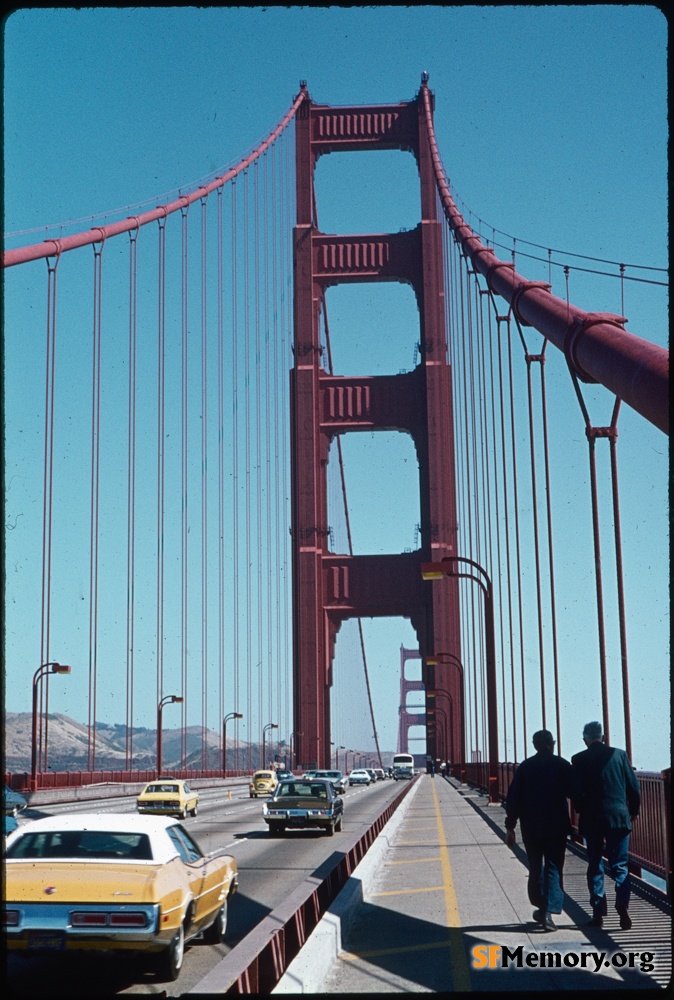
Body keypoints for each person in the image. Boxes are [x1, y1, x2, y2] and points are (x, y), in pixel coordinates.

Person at [571, 721, 640, 930]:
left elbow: (577, 792)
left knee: (595, 864)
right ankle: (622, 902)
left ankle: (598, 912)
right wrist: (633, 811)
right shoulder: (619, 755)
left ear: (585, 739)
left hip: (592, 819)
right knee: (620, 865)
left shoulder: (578, 759)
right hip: (618, 818)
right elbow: (633, 787)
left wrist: (580, 809)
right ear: (603, 737)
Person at [505, 730, 572, 931]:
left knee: (535, 865)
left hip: (531, 827)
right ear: (552, 744)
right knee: (553, 866)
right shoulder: (562, 765)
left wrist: (510, 827)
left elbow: (513, 799)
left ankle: (541, 907)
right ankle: (548, 912)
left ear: (534, 745)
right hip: (556, 826)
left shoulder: (525, 767)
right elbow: (576, 792)